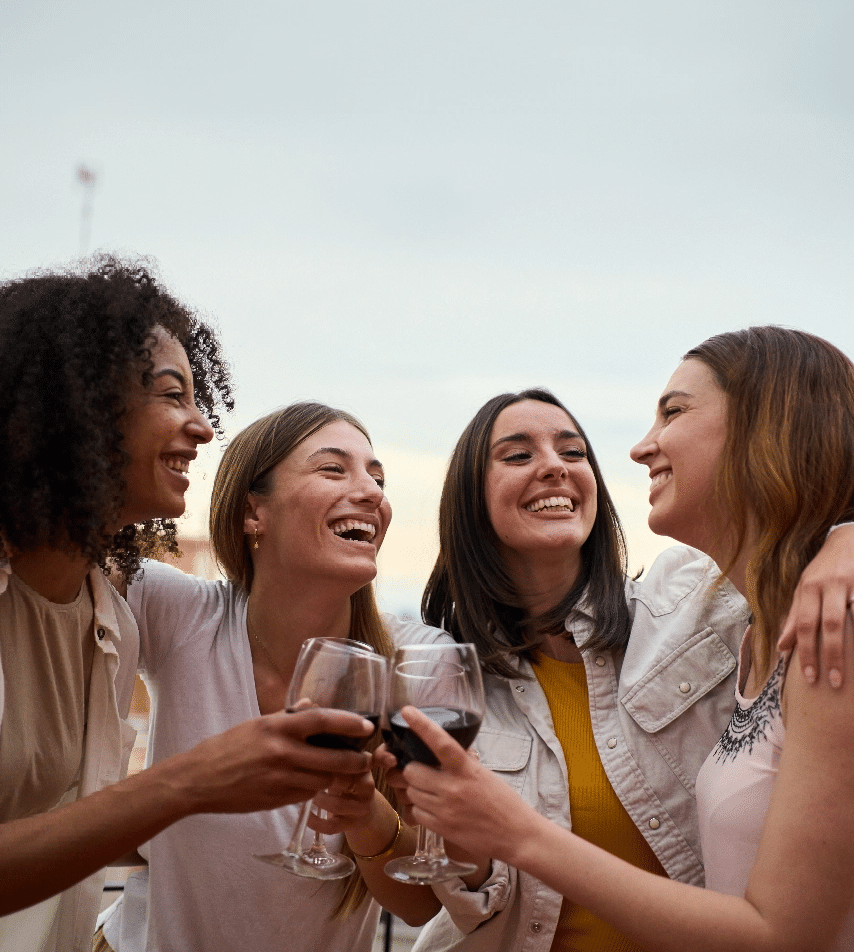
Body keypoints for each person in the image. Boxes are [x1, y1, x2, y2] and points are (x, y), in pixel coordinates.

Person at [398, 327, 854, 952]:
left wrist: (847, 533)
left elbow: (784, 933)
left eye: (674, 412)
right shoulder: (447, 669)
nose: (639, 448)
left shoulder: (796, 624)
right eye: (516, 455)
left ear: (768, 430)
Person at [0, 259, 376, 952]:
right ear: (78, 403)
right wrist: (188, 783)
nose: (203, 428)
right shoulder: (156, 610)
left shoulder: (106, 610)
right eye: (174, 396)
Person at [99, 402, 444, 952]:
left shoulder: (418, 661)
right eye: (333, 469)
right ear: (252, 512)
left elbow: (421, 903)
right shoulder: (183, 614)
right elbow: (59, 537)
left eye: (377, 479)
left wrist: (365, 814)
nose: (372, 493)